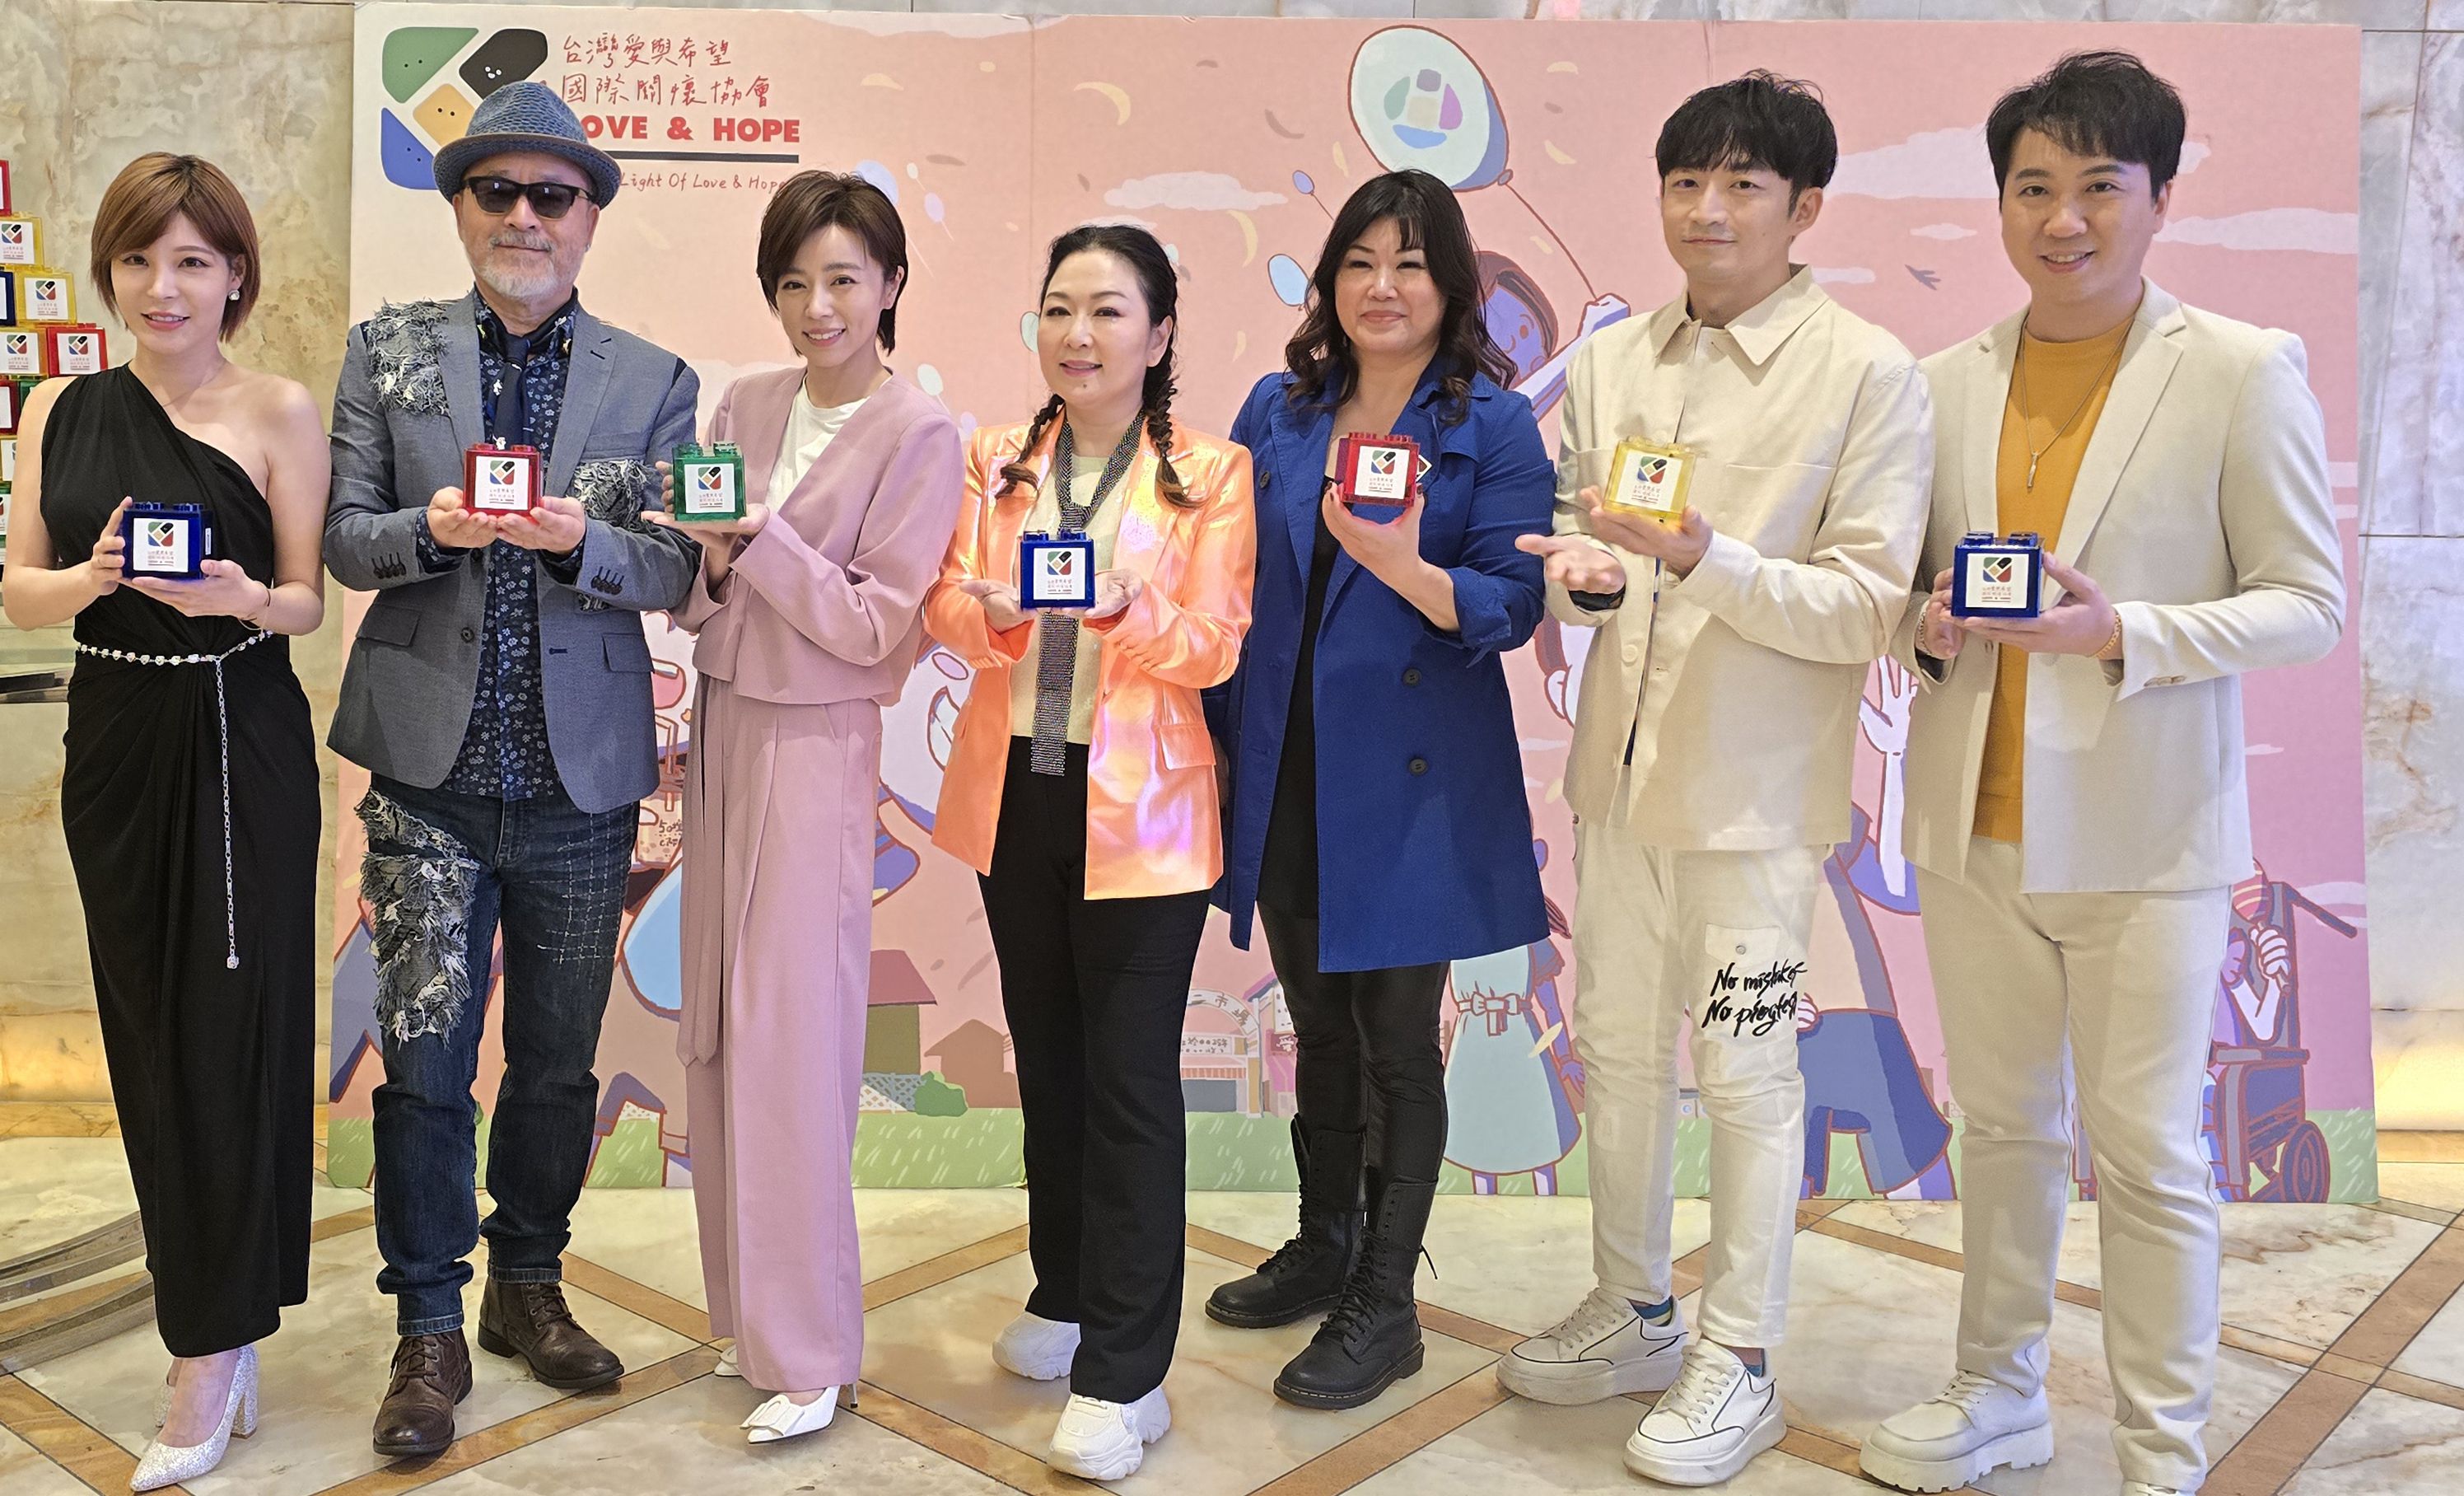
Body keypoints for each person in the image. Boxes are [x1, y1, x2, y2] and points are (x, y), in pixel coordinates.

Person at [1857, 53, 2343, 1496]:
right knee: (2004, 1132)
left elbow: (2308, 604)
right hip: (1972, 828)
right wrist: (1923, 622)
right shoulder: (1939, 385)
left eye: (2097, 187)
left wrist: (2120, 630)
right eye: (2033, 188)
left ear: (2159, 197)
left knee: (2147, 1153)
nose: (2062, 220)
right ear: (2001, 202)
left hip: (2148, 836)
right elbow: (1897, 592)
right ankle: (1999, 1391)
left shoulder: (2241, 369)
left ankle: (2160, 1449)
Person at [1505, 72, 1934, 1486]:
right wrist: (1582, 577)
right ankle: (1635, 1308)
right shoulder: (1617, 363)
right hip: (1616, 786)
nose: (1708, 209)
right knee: (1619, 1051)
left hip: (1752, 803)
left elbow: (1866, 607)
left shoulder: (1867, 372)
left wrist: (1704, 557)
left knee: (1747, 1072)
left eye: (1744, 184)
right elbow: (1584, 548)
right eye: (1687, 181)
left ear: (1805, 208)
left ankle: (1740, 1358)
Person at [321, 81, 701, 1458]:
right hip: (425, 778)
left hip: (580, 784)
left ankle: (527, 1287)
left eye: (554, 195)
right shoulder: (388, 353)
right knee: (425, 1064)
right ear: (461, 206)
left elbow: (676, 564)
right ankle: (428, 1323)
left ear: (589, 217)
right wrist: (430, 528)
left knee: (553, 1064)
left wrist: (573, 542)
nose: (526, 216)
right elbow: (341, 539)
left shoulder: (655, 381)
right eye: (499, 190)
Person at [1, 152, 328, 1490]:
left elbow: (307, 602)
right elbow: (19, 591)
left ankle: (209, 1342)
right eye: (139, 259)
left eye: (192, 259)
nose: (162, 286)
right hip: (115, 741)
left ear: (235, 274)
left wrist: (239, 598)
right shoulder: (62, 406)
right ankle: (217, 1314)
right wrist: (89, 576)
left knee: (227, 1031)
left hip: (239, 734)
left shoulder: (278, 408)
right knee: (146, 1037)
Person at [1202, 169, 1552, 1410]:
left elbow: (1513, 603)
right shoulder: (1279, 408)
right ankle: (1325, 1242)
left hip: (1411, 785)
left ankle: (1385, 1302)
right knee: (1317, 1024)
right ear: (1329, 281)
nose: (1383, 287)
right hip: (1286, 763)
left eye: (1409, 263)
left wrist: (1405, 566)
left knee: (1399, 1042)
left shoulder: (1492, 425)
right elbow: (1218, 568)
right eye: (1359, 262)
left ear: (1450, 283)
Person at [922, 222, 1256, 1481]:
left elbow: (1215, 646)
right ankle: (1063, 1293)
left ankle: (1126, 1374)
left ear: (1159, 334)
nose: (1079, 334)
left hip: (1147, 820)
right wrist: (995, 615)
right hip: (1017, 797)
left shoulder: (1210, 475)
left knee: (1128, 1085)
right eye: (1060, 308)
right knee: (1051, 1062)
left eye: (1110, 311)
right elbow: (944, 602)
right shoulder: (995, 460)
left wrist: (1132, 607)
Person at [651, 170, 964, 1445]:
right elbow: (703, 590)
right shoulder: (747, 402)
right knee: (721, 1024)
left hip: (820, 742)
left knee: (791, 1034)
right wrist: (708, 556)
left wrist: (762, 542)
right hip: (725, 721)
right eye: (793, 283)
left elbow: (876, 626)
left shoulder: (920, 433)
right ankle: (750, 1319)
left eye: (842, 278)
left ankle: (813, 1348)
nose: (817, 306)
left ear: (890, 284)